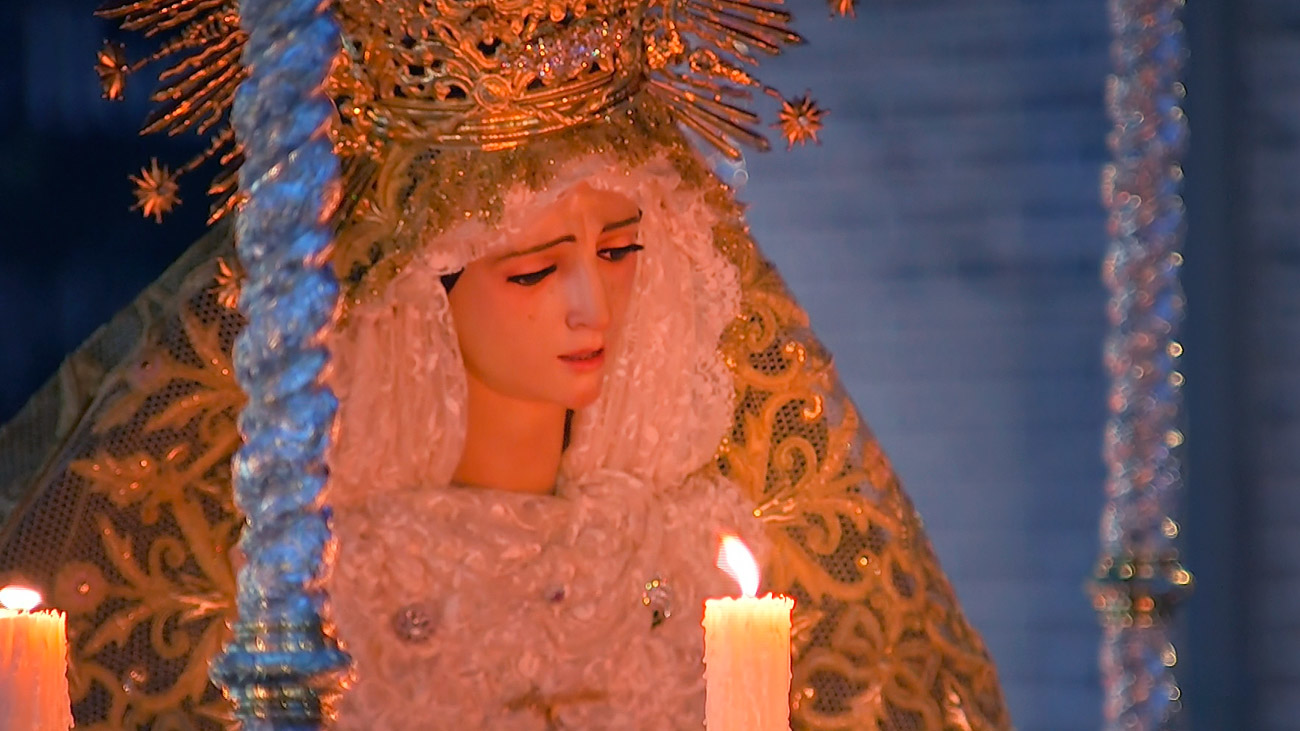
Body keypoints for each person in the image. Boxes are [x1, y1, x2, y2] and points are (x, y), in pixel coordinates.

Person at [0, 1, 1012, 729]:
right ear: (418, 290)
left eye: (618, 253)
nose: (590, 304)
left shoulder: (697, 555)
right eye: (532, 270)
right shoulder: (319, 579)